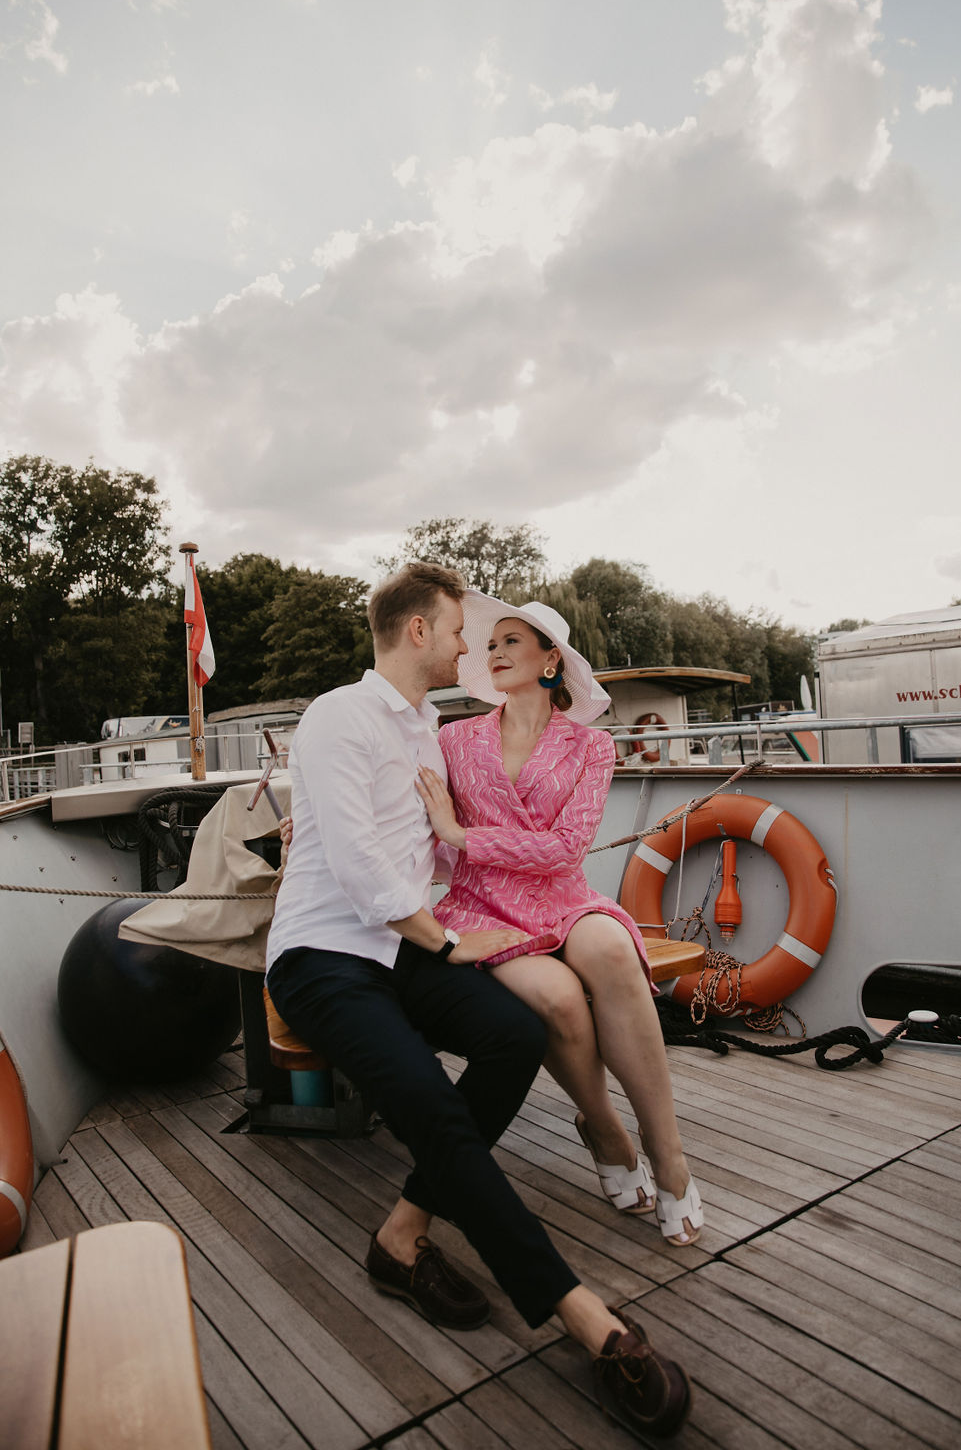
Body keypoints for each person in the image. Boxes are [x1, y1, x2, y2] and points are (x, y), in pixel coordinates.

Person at [265, 562, 690, 1440]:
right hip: (326, 956)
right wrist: (452, 942)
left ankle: (402, 1233)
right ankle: (587, 1319)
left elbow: (445, 844)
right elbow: (354, 864)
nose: (469, 646)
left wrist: (451, 928)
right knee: (431, 1106)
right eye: (460, 629)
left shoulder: (427, 729)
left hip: (400, 945)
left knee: (511, 1030)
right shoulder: (338, 717)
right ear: (419, 630)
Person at [418, 594, 703, 1248]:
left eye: (511, 642)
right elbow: (425, 834)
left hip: (563, 897)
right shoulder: (452, 741)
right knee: (558, 1000)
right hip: (484, 904)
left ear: (552, 660)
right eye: (490, 644)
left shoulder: (591, 747)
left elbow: (566, 848)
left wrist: (463, 835)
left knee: (610, 951)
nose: (494, 653)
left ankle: (668, 1153)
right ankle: (602, 1125)